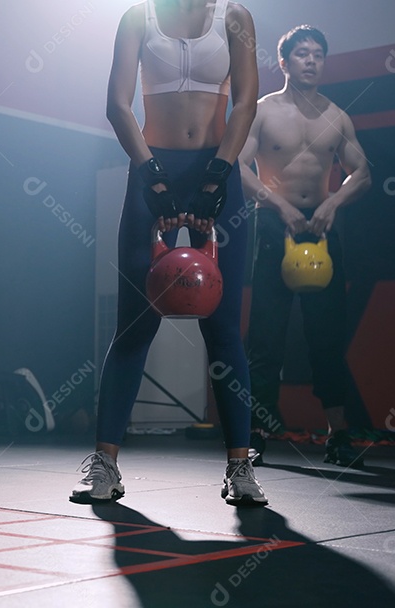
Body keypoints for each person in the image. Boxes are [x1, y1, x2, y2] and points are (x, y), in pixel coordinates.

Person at [71, 0, 264, 506]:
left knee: (223, 330)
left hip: (216, 173)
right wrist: (150, 173)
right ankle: (104, 464)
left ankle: (240, 468)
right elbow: (118, 103)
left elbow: (246, 102)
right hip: (152, 169)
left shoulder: (235, 17)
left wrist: (218, 176)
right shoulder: (138, 16)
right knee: (134, 325)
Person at [238, 25, 371, 468]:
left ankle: (338, 434)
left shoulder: (337, 116)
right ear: (285, 63)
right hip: (277, 230)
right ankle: (253, 434)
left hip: (323, 230)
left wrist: (334, 201)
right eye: (302, 54)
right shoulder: (262, 111)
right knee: (265, 338)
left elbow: (363, 173)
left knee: (327, 340)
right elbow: (237, 167)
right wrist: (277, 205)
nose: (311, 60)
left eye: (318, 54)